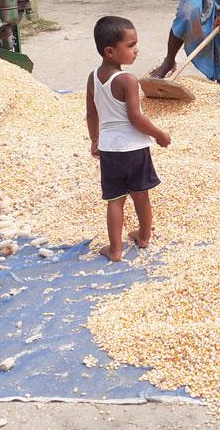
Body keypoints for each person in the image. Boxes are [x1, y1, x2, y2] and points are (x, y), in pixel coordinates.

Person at [86, 16, 171, 262]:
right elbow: (135, 118)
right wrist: (158, 134)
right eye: (131, 45)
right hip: (134, 148)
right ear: (110, 51)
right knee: (141, 195)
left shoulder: (93, 77)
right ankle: (143, 237)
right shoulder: (127, 80)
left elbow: (91, 112)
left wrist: (94, 139)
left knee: (115, 200)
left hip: (110, 149)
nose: (136, 50)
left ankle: (115, 250)